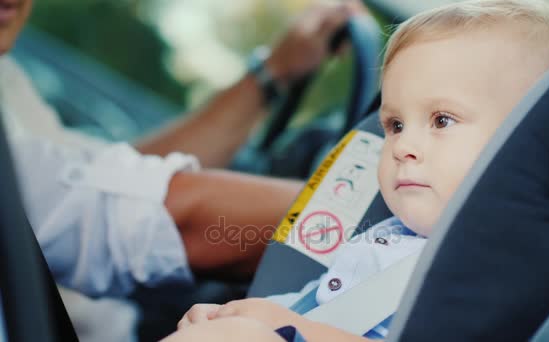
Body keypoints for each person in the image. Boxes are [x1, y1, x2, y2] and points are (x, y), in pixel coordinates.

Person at [169, 0, 549, 340]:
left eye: (441, 120)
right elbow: (318, 305)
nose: (402, 147)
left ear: (527, 144)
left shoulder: (499, 273)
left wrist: (283, 327)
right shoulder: (390, 238)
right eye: (395, 125)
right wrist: (244, 314)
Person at [0, 0, 363, 340]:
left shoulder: (9, 81)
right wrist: (368, 216)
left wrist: (273, 74)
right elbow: (175, 220)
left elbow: (115, 176)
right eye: (397, 125)